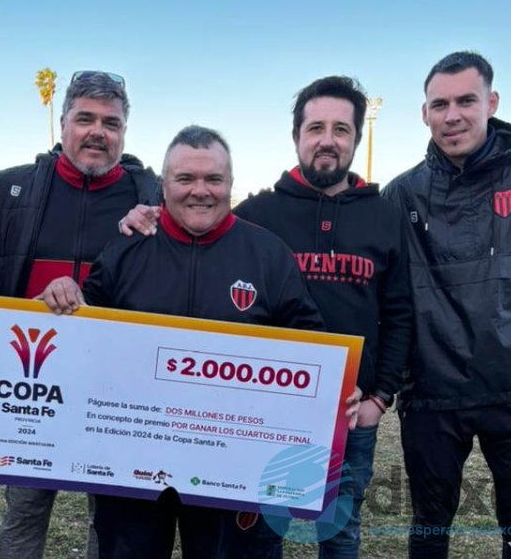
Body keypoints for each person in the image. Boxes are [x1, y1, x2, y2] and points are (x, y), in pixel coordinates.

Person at [41, 125, 362, 558]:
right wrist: (63, 295)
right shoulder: (126, 250)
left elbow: (310, 342)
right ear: (164, 185)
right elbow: (81, 334)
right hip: (133, 463)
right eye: (185, 179)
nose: (201, 191)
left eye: (214, 179)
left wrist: (337, 390)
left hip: (231, 466)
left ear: (231, 184)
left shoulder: (267, 253)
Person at [382, 51, 511, 558]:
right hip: (433, 397)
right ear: (424, 112)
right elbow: (386, 302)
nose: (452, 115)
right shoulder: (401, 194)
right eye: (440, 104)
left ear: (491, 102)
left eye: (465, 101)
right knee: (429, 526)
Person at [0, 70, 159, 559]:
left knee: (112, 520)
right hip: (33, 383)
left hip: (117, 389)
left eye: (111, 122)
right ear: (63, 124)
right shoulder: (8, 189)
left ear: (125, 131)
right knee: (26, 512)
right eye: (85, 118)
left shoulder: (154, 197)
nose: (98, 131)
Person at [232, 75, 413, 557]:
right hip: (270, 413)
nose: (327, 140)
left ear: (356, 137)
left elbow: (398, 313)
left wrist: (380, 397)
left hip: (352, 415)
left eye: (341, 128)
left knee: (340, 532)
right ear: (297, 137)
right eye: (315, 128)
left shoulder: (384, 216)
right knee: (261, 533)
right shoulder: (256, 214)